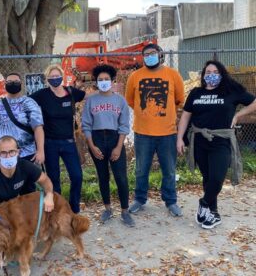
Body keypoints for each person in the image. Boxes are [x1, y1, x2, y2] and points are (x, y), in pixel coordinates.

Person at [177, 60, 256, 229]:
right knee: (207, 177)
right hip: (199, 140)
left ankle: (204, 203)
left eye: (215, 72)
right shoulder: (196, 93)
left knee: (217, 177)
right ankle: (213, 213)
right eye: (207, 72)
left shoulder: (231, 91)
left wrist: (238, 115)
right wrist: (179, 138)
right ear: (203, 75)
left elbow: (254, 102)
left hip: (221, 140)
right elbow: (185, 116)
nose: (211, 75)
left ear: (221, 74)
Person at [0, 135, 54, 275]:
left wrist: (49, 195)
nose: (8, 156)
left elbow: (45, 180)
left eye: (12, 151)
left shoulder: (25, 166)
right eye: (4, 153)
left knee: (16, 234)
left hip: (6, 210)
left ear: (18, 152)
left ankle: (8, 251)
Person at [125, 43, 185, 217]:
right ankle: (139, 199)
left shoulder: (173, 75)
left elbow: (179, 99)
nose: (149, 56)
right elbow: (130, 100)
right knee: (141, 170)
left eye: (152, 53)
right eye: (146, 54)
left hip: (167, 133)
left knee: (169, 170)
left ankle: (171, 201)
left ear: (160, 54)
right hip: (143, 133)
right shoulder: (135, 77)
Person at [82, 64, 135, 227]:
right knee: (103, 176)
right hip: (97, 139)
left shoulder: (120, 100)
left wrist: (119, 147)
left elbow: (124, 125)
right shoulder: (91, 99)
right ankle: (107, 208)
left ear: (112, 81)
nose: (103, 82)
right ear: (96, 81)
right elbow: (86, 125)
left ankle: (125, 211)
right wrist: (92, 146)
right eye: (100, 80)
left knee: (120, 177)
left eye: (106, 79)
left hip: (114, 139)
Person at [30, 64, 85, 213]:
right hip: (50, 144)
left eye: (57, 76)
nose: (55, 79)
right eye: (51, 77)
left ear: (62, 76)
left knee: (77, 176)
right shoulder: (42, 95)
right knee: (54, 179)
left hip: (69, 142)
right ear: (47, 79)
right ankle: (58, 209)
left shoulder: (70, 92)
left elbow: (87, 95)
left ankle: (74, 208)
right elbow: (25, 103)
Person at [0, 72, 45, 166]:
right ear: (5, 84)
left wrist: (40, 151)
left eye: (16, 82)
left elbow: (38, 128)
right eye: (9, 82)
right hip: (1, 156)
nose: (13, 84)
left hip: (26, 155)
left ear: (21, 84)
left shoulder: (29, 103)